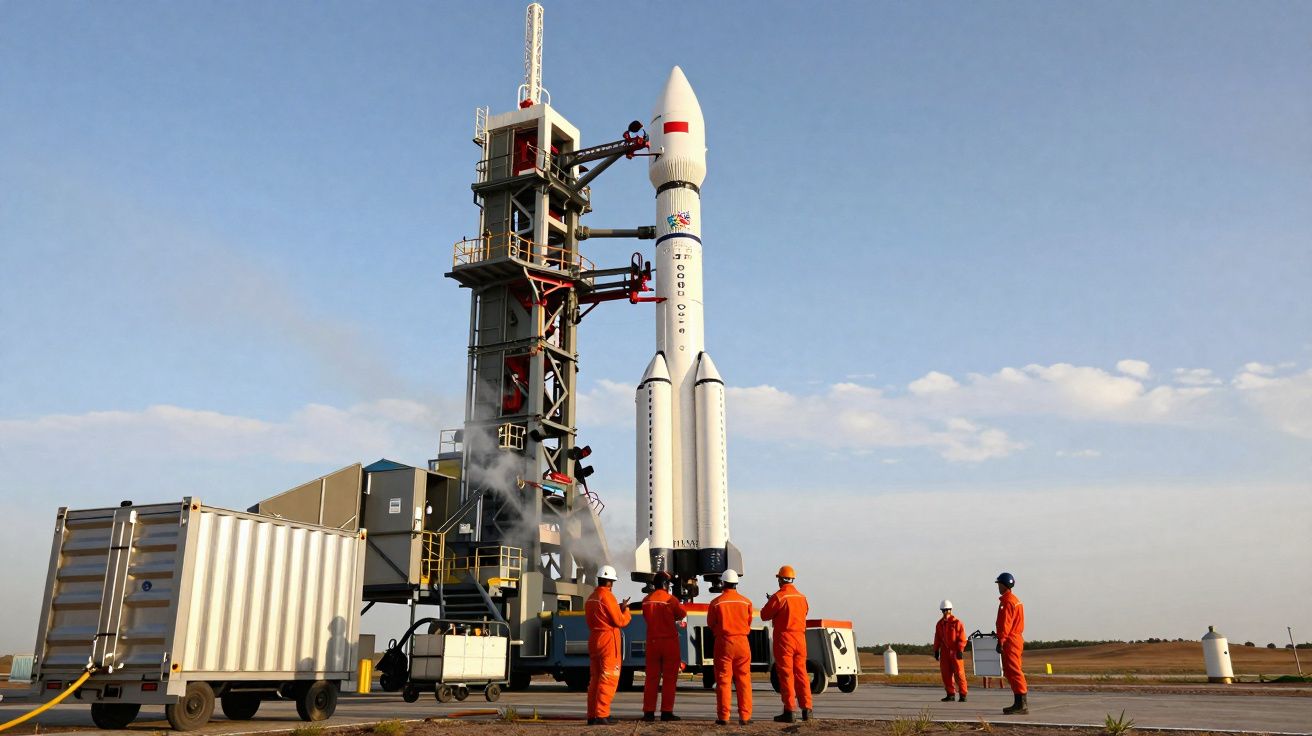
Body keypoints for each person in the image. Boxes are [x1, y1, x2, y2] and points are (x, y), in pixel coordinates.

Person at [760, 564, 813, 722]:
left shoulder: (779, 597)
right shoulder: (802, 598)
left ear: (781, 580)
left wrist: (771, 602)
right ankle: (807, 709)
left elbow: (764, 615)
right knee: (802, 674)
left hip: (785, 639)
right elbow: (804, 612)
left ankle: (790, 711)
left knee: (786, 675)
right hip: (800, 638)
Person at [586, 565, 631, 725]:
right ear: (611, 582)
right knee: (609, 678)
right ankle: (602, 714)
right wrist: (625, 611)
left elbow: (600, 616)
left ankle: (592, 715)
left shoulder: (591, 597)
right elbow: (619, 621)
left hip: (594, 639)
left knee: (595, 680)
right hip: (607, 642)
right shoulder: (608, 597)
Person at [707, 569, 753, 726]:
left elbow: (710, 623)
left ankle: (724, 717)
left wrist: (719, 632)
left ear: (723, 583)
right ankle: (745, 717)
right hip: (742, 643)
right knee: (744, 680)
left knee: (723, 680)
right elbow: (748, 622)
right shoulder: (746, 602)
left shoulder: (716, 603)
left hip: (724, 644)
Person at [641, 571, 688, 722]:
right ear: (666, 584)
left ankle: (648, 712)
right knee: (669, 679)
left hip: (653, 642)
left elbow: (646, 617)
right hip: (669, 643)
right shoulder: (671, 600)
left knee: (651, 678)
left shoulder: (646, 600)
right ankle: (666, 712)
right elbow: (681, 614)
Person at [994, 572, 1028, 715]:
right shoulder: (1014, 600)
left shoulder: (1007, 602)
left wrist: (1000, 641)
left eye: (999, 584)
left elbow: (1005, 624)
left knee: (1013, 670)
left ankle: (1021, 704)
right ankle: (1019, 702)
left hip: (1010, 640)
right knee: (1011, 670)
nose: (998, 587)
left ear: (1004, 584)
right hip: (1015, 638)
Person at [932, 599, 968, 702]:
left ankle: (963, 695)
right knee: (946, 674)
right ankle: (950, 694)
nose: (945, 613)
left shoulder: (957, 623)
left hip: (955, 651)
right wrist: (936, 650)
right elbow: (937, 638)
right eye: (943, 610)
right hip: (944, 652)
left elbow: (962, 637)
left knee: (959, 674)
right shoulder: (939, 624)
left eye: (947, 610)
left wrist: (960, 650)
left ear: (950, 610)